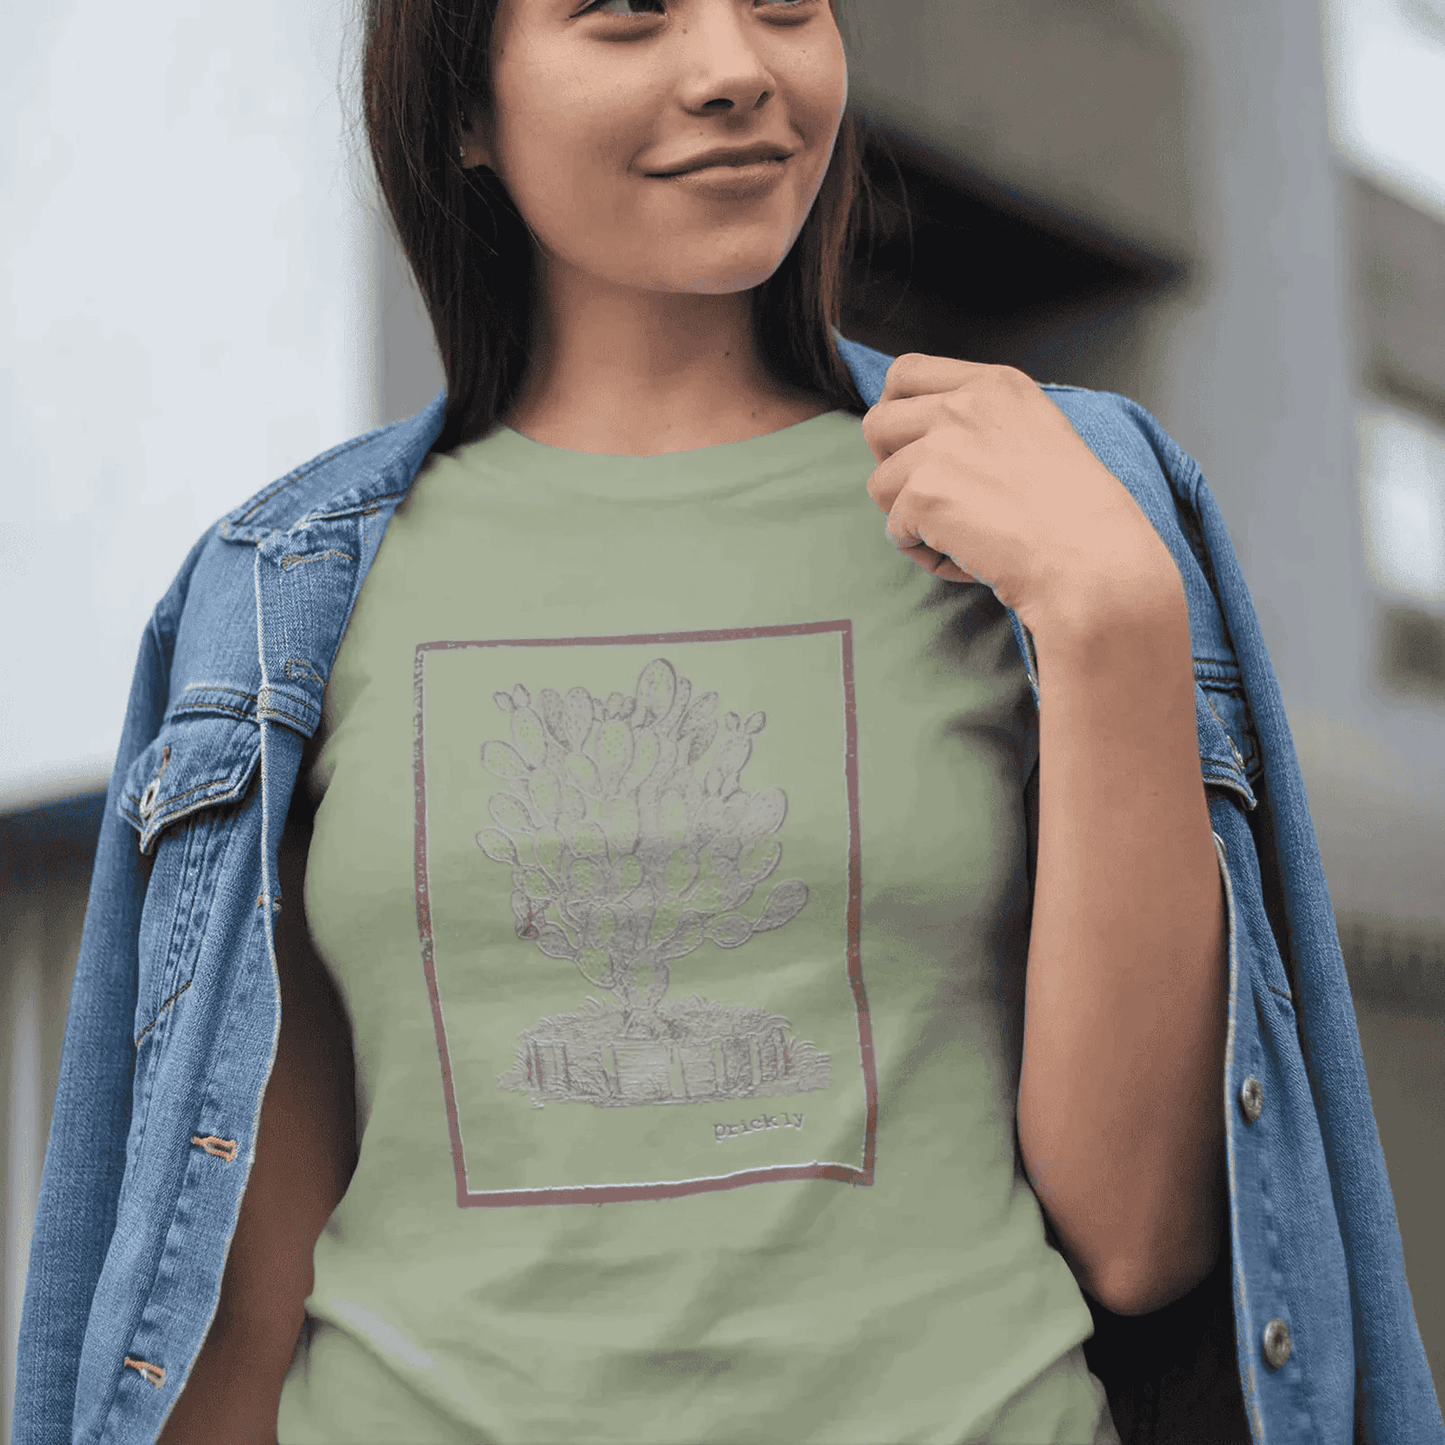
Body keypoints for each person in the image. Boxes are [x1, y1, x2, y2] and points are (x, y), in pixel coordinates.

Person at [14, 1, 1443, 1443]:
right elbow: (237, 1302)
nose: (736, 71)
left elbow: (1141, 1237)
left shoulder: (1044, 502)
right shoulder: (279, 593)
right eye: (629, 17)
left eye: (784, 7)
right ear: (460, 109)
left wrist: (1115, 621)